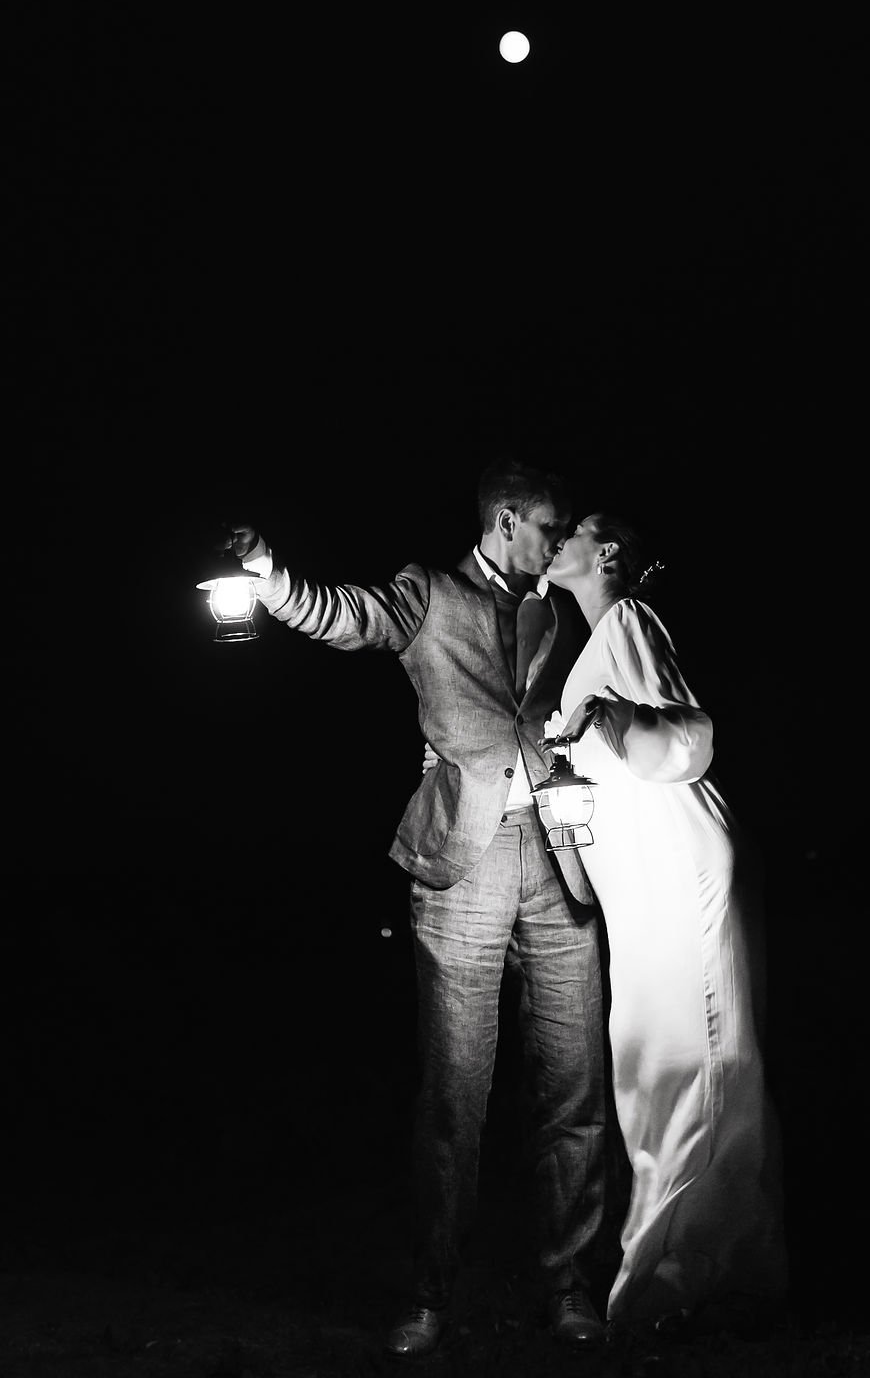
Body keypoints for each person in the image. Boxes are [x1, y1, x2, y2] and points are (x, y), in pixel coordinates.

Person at [215, 460, 608, 1359]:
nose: (558, 541)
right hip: (460, 867)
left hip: (564, 861)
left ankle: (571, 1289)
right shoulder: (428, 593)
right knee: (453, 1099)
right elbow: (345, 616)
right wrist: (272, 577)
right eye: (549, 526)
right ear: (507, 519)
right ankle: (431, 1294)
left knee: (573, 1091)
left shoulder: (565, 605)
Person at [537, 511, 788, 1333]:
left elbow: (682, 742)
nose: (557, 538)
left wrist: (599, 717)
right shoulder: (592, 638)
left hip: (678, 863)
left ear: (607, 553)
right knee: (649, 1062)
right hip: (640, 880)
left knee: (687, 1059)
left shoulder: (627, 620)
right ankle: (708, 1268)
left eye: (573, 529)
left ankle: (666, 1284)